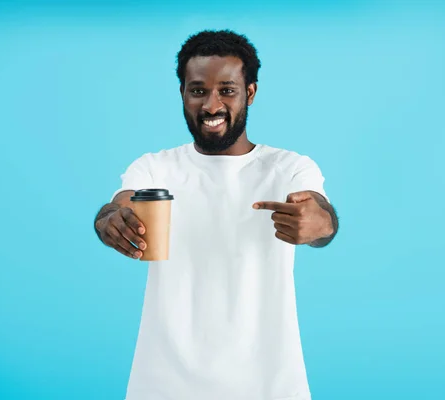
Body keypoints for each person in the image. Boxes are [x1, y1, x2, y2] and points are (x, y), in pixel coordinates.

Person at [94, 29, 339, 400]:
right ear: (183, 94)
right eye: (198, 91)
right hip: (162, 383)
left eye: (227, 90)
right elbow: (121, 202)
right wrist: (109, 220)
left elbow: (322, 217)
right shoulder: (156, 167)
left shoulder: (288, 167)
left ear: (250, 93)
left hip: (269, 383)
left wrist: (317, 223)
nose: (211, 105)